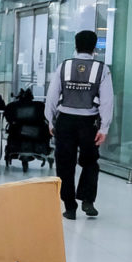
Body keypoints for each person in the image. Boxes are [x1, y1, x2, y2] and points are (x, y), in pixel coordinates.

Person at [45, 30, 113, 220]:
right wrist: (104, 128)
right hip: (88, 123)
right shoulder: (102, 69)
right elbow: (107, 101)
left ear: (75, 45)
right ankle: (87, 200)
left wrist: (50, 120)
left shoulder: (64, 66)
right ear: (94, 48)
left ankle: (69, 207)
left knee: (65, 164)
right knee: (90, 161)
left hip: (65, 121)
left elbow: (52, 95)